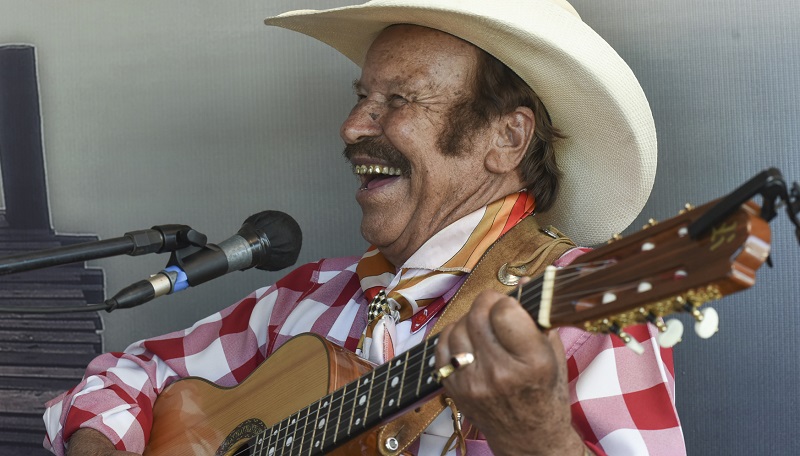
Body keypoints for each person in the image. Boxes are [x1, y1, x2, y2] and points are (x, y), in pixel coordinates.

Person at [43, 0, 685, 454]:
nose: (353, 127)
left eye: (398, 100)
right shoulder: (306, 296)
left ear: (506, 137)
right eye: (362, 97)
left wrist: (539, 441)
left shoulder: (589, 304)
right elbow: (129, 374)